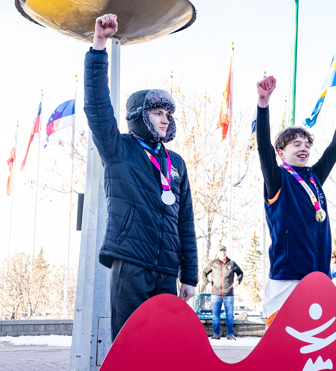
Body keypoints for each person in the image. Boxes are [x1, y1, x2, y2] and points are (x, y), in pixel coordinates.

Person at [84, 14, 198, 341]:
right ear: (138, 116)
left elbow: (186, 221)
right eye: (158, 113)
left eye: (168, 114)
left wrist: (188, 273)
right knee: (129, 345)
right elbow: (96, 106)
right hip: (131, 262)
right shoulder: (118, 148)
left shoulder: (175, 162)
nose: (165, 120)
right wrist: (99, 46)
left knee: (161, 348)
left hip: (166, 270)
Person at [256, 76, 336, 328]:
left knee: (313, 342)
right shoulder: (277, 178)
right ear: (281, 152)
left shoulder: (314, 177)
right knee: (279, 342)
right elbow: (262, 148)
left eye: (307, 144)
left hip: (318, 275)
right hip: (287, 275)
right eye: (296, 144)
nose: (303, 148)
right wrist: (263, 104)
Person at [202, 246, 243, 340]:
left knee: (230, 315)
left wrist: (237, 282)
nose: (222, 253)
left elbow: (240, 273)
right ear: (218, 252)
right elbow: (204, 273)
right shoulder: (213, 263)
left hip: (229, 294)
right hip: (216, 294)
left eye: (224, 251)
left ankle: (230, 334)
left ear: (226, 252)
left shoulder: (232, 263)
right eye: (221, 251)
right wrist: (207, 283)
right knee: (216, 315)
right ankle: (216, 334)